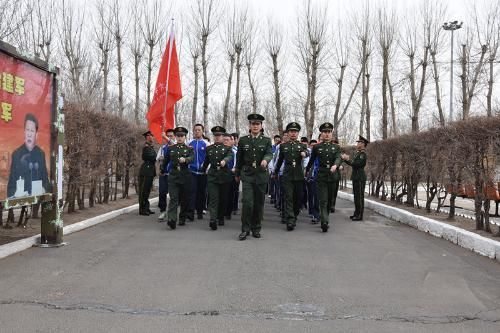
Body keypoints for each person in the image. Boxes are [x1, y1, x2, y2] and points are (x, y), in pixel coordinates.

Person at [234, 114, 273, 240]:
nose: (255, 126)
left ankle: (256, 228)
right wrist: (237, 173)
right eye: (253, 124)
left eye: (257, 124)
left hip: (261, 175)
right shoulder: (243, 140)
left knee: (258, 203)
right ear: (249, 126)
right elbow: (239, 158)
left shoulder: (266, 140)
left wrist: (266, 160)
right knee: (248, 203)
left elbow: (269, 153)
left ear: (261, 126)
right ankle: (245, 229)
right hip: (247, 175)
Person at [305, 122, 341, 232]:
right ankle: (324, 221)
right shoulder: (316, 147)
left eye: (329, 132)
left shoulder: (336, 147)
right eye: (325, 132)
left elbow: (338, 157)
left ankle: (326, 217)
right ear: (321, 133)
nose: (327, 134)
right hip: (321, 175)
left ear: (332, 133)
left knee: (330, 200)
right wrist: (307, 170)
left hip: (332, 175)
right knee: (323, 200)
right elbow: (311, 161)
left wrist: (335, 165)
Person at [274, 122, 309, 231]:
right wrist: (275, 172)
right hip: (287, 175)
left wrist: (304, 154)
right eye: (291, 131)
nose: (293, 133)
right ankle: (290, 220)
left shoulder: (302, 145)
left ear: (298, 133)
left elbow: (307, 152)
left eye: (295, 132)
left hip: (298, 175)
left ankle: (294, 214)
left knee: (298, 198)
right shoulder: (283, 146)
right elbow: (279, 161)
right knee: (288, 197)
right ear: (288, 133)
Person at [7, 113, 50, 198]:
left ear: (36, 134)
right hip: (21, 205)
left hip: (37, 204)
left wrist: (43, 189)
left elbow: (46, 182)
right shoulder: (16, 154)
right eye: (27, 130)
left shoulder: (41, 154)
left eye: (32, 131)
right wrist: (15, 194)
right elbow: (10, 188)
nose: (29, 134)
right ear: (24, 132)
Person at [202, 126, 233, 230]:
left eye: (219, 135)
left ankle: (221, 217)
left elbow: (230, 156)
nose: (217, 137)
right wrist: (202, 170)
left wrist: (225, 161)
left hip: (224, 176)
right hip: (213, 175)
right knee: (214, 198)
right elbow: (206, 161)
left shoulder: (228, 148)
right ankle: (213, 219)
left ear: (222, 136)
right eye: (215, 135)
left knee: (223, 199)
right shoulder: (209, 148)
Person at [163, 127, 194, 229]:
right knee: (173, 198)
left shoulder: (189, 149)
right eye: (178, 136)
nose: (180, 138)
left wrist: (185, 159)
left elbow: (192, 158)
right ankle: (172, 219)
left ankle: (182, 217)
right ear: (175, 137)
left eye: (182, 136)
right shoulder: (171, 148)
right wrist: (162, 169)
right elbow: (166, 160)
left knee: (184, 199)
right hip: (174, 175)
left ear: (185, 137)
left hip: (185, 176)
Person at [341, 135, 369, 221]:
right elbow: (353, 162)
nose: (357, 144)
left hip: (360, 177)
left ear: (363, 144)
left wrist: (347, 159)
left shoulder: (362, 154)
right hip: (356, 177)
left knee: (359, 197)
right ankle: (356, 213)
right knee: (356, 196)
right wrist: (346, 159)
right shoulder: (358, 153)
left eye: (359, 142)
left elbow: (356, 164)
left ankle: (359, 215)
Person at [188, 124, 209, 220]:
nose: (197, 131)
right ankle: (191, 212)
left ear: (202, 131)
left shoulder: (206, 144)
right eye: (195, 130)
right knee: (192, 191)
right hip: (191, 172)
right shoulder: (189, 143)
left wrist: (206, 167)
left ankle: (200, 211)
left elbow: (209, 158)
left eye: (199, 130)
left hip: (202, 173)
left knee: (201, 192)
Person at [157, 128, 175, 221]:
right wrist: (160, 159)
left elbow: (172, 144)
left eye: (171, 136)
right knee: (162, 192)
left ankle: (172, 212)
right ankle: (163, 211)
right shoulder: (162, 148)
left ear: (174, 136)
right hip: (164, 174)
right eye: (167, 136)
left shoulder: (176, 146)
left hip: (173, 174)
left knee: (173, 194)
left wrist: (165, 137)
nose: (169, 137)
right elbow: (158, 161)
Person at [138, 130, 157, 216]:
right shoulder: (146, 147)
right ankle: (142, 209)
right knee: (143, 191)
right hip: (146, 171)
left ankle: (146, 208)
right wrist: (157, 156)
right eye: (149, 136)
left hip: (150, 171)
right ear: (146, 138)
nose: (151, 137)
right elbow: (150, 156)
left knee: (147, 191)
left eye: (152, 135)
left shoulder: (150, 147)